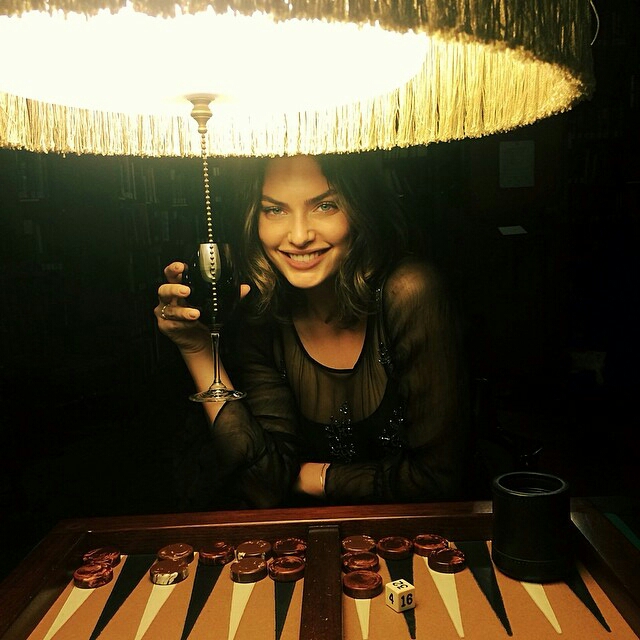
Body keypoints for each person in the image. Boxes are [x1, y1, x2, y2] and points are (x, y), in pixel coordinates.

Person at [155, 153, 470, 510]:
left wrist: (313, 477)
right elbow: (264, 487)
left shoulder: (410, 293)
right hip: (299, 539)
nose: (300, 236)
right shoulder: (261, 314)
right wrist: (198, 350)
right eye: (275, 210)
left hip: (414, 535)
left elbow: (436, 480)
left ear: (360, 208)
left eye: (325, 206)